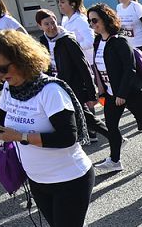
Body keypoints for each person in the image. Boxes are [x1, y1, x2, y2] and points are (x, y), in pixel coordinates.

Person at [0, 30, 137, 227]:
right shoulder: (9, 90)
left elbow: (68, 137)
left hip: (71, 178)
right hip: (39, 180)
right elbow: (1, 122)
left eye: (4, 67)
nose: (0, 75)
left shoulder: (50, 91)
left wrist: (20, 135)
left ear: (23, 59)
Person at [86, 3, 142, 174]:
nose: (92, 25)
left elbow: (130, 69)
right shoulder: (98, 41)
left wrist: (121, 93)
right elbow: (98, 68)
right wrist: (102, 91)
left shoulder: (120, 42)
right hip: (111, 93)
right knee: (111, 126)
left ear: (106, 19)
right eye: (90, 21)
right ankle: (115, 160)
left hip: (130, 91)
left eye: (95, 20)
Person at [34, 9, 108, 146]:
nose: (51, 27)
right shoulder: (42, 42)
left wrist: (91, 93)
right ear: (39, 26)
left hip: (72, 86)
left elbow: (84, 67)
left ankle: (113, 137)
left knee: (86, 116)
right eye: (46, 24)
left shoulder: (67, 40)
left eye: (53, 22)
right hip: (53, 86)